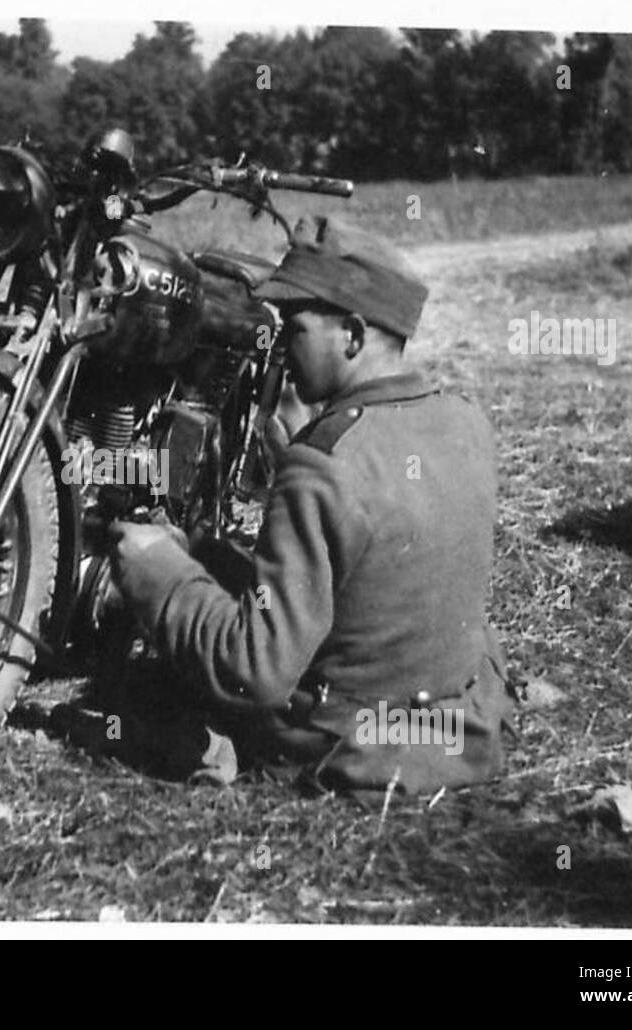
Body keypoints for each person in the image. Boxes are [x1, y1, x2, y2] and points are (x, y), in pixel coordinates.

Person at [107, 216, 513, 793]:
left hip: (351, 740)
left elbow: (256, 671)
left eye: (294, 329)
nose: (279, 348)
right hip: (452, 726)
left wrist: (159, 573)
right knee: (213, 559)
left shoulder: (323, 462)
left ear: (351, 334)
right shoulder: (463, 419)